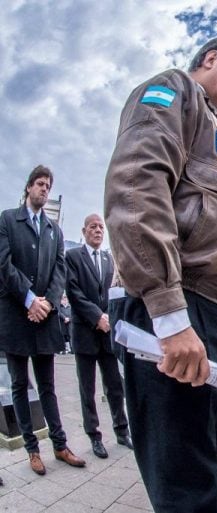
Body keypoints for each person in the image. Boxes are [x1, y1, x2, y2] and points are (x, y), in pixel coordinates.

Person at [104, 37, 217, 513]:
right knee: (184, 478)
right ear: (209, 59)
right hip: (173, 304)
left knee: (211, 458)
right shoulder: (173, 91)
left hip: (205, 308)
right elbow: (137, 184)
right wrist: (170, 317)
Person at [0, 165, 86, 475]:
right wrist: (29, 299)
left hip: (45, 317)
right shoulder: (8, 220)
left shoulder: (55, 231)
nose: (44, 189)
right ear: (28, 188)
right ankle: (32, 450)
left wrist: (47, 301)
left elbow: (60, 270)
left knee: (48, 385)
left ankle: (60, 445)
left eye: (48, 185)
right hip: (16, 316)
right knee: (21, 385)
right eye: (40, 183)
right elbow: (4, 265)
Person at [65, 214, 131, 459]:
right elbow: (73, 291)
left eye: (101, 227)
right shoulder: (72, 257)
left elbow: (116, 291)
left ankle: (122, 431)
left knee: (115, 385)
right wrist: (97, 317)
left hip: (108, 335)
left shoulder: (110, 260)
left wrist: (111, 318)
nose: (98, 230)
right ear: (84, 231)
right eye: (93, 227)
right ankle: (94, 436)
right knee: (87, 388)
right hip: (85, 333)